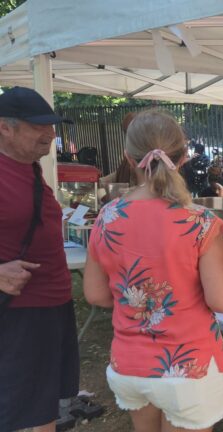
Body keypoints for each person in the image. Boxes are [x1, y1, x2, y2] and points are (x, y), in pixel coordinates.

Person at [83, 110, 223, 432]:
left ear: (128, 156)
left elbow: (95, 294)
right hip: (187, 367)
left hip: (129, 364)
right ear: (182, 157)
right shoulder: (200, 222)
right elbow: (222, 301)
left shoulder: (107, 217)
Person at [0, 86, 79, 432]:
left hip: (50, 306)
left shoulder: (29, 167)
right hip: (20, 313)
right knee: (21, 408)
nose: (50, 135)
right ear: (5, 127)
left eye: (52, 125)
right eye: (38, 126)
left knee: (43, 403)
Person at [99, 112, 139, 201]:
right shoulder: (130, 152)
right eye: (126, 132)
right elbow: (118, 174)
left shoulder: (147, 154)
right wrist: (100, 182)